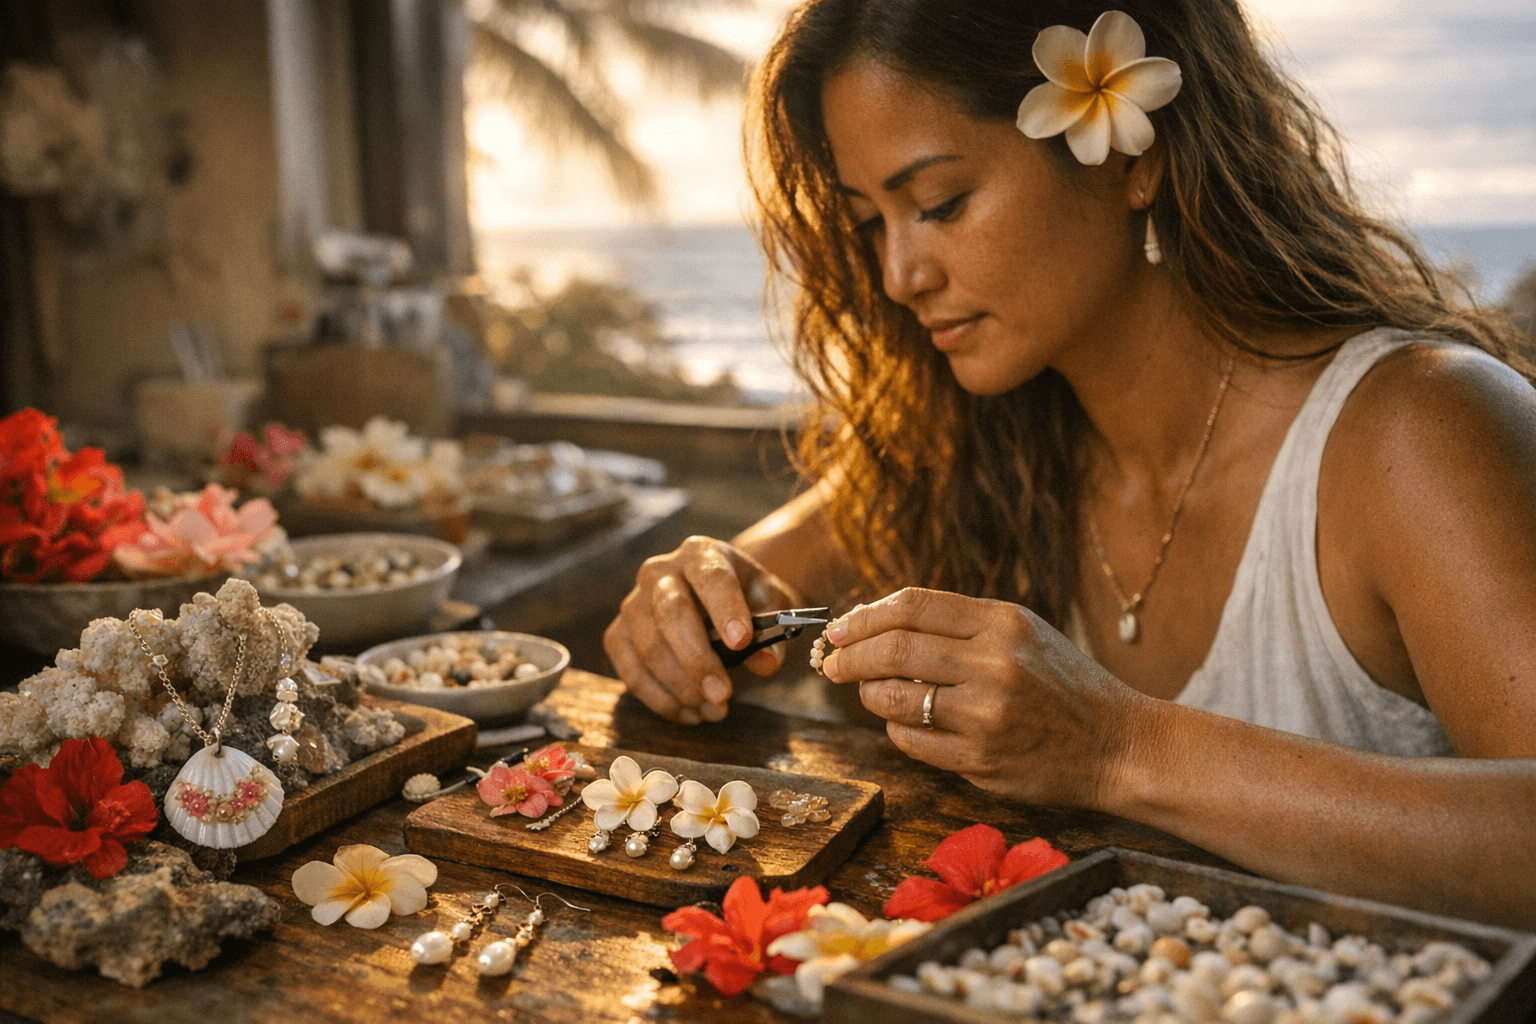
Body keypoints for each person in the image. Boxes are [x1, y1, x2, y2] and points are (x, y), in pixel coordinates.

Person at [603, 0, 1536, 928]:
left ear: (1133, 158)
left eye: (939, 205)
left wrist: (1118, 748)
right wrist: (694, 605)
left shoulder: (1417, 430)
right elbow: (746, 576)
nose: (898, 275)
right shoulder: (973, 440)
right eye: (868, 224)